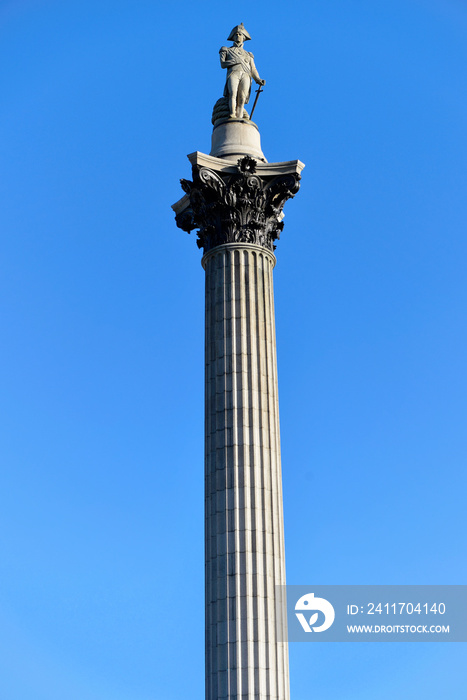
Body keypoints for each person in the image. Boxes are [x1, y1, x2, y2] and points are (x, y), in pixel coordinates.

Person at [219, 23, 266, 120]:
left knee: (242, 98)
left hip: (246, 75)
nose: (238, 36)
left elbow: (253, 69)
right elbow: (223, 65)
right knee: (233, 94)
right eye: (236, 34)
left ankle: (239, 117)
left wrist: (258, 80)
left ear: (244, 37)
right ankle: (232, 115)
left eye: (240, 34)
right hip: (234, 73)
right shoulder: (226, 50)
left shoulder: (248, 55)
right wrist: (234, 61)